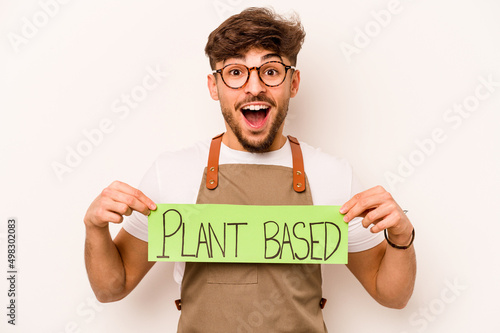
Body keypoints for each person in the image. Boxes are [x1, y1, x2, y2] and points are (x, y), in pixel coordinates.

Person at [84, 7, 416, 332]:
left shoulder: (332, 175)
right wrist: (95, 228)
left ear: (294, 82)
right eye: (235, 72)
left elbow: (391, 295)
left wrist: (401, 237)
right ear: (215, 86)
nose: (254, 87)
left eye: (270, 71)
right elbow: (112, 287)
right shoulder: (172, 172)